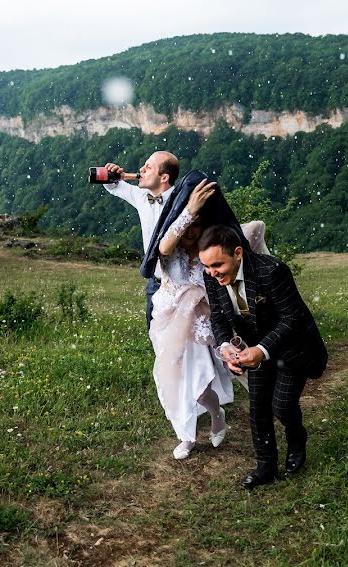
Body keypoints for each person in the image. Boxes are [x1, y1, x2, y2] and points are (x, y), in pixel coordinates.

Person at [198, 224, 328, 489]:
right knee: (258, 408)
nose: (212, 273)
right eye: (207, 267)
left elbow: (292, 319)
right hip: (255, 348)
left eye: (217, 265)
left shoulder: (273, 271)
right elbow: (220, 318)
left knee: (281, 406)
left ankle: (297, 439)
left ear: (238, 253)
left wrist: (262, 350)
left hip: (293, 347)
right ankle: (266, 467)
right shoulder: (211, 276)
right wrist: (226, 347)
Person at [148, 179, 234, 459]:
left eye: (196, 224)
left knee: (198, 386)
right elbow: (162, 248)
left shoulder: (208, 249)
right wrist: (189, 210)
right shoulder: (170, 249)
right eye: (186, 224)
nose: (190, 230)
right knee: (171, 379)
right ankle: (186, 436)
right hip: (168, 322)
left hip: (199, 326)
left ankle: (215, 413)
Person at [101, 151, 179, 329]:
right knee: (155, 334)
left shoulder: (181, 200)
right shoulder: (142, 197)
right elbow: (115, 188)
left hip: (180, 285)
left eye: (148, 167)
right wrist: (113, 175)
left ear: (164, 177)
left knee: (181, 339)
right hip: (155, 282)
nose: (141, 169)